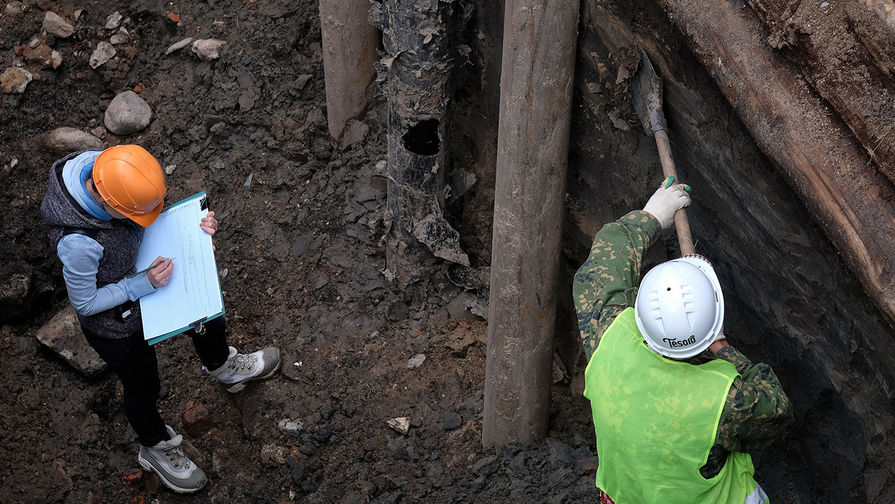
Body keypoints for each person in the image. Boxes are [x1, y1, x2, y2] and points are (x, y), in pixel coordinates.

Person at [40, 145, 282, 494]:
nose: (146, 218)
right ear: (110, 207)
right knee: (143, 385)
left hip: (146, 274)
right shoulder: (78, 243)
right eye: (138, 215)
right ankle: (154, 445)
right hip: (116, 324)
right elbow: (86, 302)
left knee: (205, 316)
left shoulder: (107, 167)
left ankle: (224, 367)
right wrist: (142, 284)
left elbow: (148, 214)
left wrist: (193, 232)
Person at [573, 177, 793, 503]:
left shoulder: (609, 337)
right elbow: (776, 409)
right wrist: (723, 348)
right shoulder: (723, 402)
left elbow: (605, 264)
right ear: (712, 326)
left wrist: (651, 215)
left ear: (641, 313)